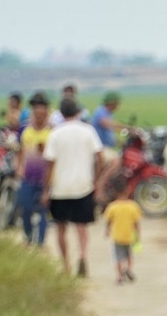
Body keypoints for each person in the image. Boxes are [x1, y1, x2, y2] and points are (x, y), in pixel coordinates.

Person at [44, 99, 107, 277]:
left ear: (61, 114)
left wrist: (45, 189)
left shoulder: (55, 133)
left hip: (60, 188)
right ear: (78, 112)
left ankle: (65, 264)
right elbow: (99, 156)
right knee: (82, 227)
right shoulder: (88, 131)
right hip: (83, 185)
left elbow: (49, 163)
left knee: (61, 228)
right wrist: (97, 179)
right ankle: (82, 255)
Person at [16, 93, 53, 247]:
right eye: (36, 113)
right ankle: (28, 235)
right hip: (28, 176)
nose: (39, 117)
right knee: (25, 207)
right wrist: (19, 167)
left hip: (46, 177)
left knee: (43, 210)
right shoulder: (25, 130)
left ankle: (40, 241)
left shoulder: (52, 132)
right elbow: (20, 150)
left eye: (42, 114)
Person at [106, 194, 141, 284]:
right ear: (127, 190)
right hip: (129, 236)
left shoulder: (112, 207)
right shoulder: (133, 206)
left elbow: (109, 221)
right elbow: (136, 223)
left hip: (117, 237)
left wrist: (107, 230)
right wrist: (138, 236)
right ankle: (128, 269)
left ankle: (119, 276)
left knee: (118, 258)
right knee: (129, 255)